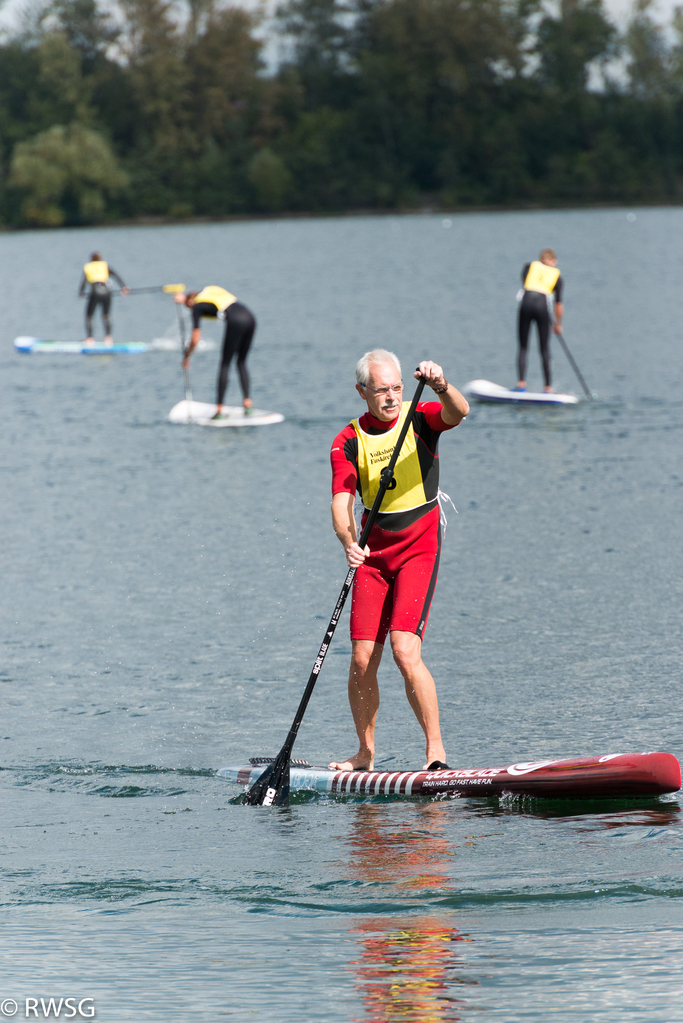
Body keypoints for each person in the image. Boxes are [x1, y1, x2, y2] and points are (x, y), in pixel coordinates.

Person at [329, 349, 469, 772]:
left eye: (396, 388)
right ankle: (365, 754)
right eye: (381, 390)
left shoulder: (422, 417)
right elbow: (341, 503)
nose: (391, 397)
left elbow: (460, 413)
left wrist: (442, 384)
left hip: (418, 546)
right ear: (361, 392)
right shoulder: (348, 440)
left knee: (405, 651)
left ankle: (436, 754)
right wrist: (348, 542)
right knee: (360, 658)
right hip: (373, 554)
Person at [175, 286, 255, 419]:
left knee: (225, 364)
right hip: (250, 317)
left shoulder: (196, 306)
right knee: (241, 362)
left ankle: (219, 410)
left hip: (235, 321)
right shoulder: (209, 290)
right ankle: (247, 404)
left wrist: (187, 356)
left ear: (190, 303)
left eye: (188, 307)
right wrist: (183, 297)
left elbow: (195, 339)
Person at [516, 248, 564, 393]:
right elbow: (558, 305)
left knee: (523, 347)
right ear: (554, 261)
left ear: (540, 259)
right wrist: (558, 325)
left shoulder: (529, 267)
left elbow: (525, 281)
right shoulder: (557, 276)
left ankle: (521, 384)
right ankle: (548, 388)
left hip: (526, 303)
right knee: (544, 348)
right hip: (543, 307)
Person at [78, 252, 129, 345]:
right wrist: (124, 287)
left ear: (91, 259)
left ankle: (90, 339)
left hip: (95, 291)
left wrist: (80, 293)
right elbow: (116, 275)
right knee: (106, 315)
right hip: (106, 291)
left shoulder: (88, 267)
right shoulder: (104, 265)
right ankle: (108, 338)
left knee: (89, 316)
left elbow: (84, 281)